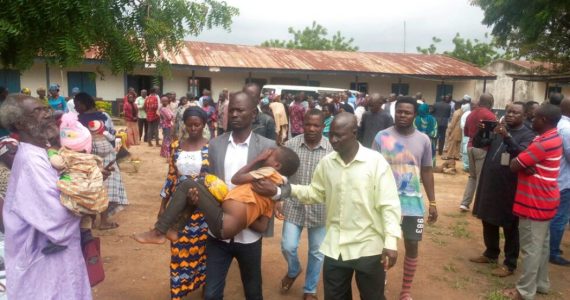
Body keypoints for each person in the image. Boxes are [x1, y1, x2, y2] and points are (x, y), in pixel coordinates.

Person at [279, 113, 401, 300]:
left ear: (354, 133)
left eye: (339, 136)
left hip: (368, 247)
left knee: (372, 297)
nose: (333, 140)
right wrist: (289, 190)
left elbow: (389, 205)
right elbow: (316, 193)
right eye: (331, 134)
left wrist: (391, 242)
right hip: (335, 248)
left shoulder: (375, 162)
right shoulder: (327, 163)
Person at [0, 94, 92, 299]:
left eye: (46, 109)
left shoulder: (44, 151)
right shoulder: (32, 162)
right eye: (37, 111)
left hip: (59, 260)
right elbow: (55, 218)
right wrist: (87, 199)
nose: (48, 114)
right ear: (19, 123)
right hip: (43, 264)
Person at [200, 91, 277, 300]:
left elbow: (283, 185)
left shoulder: (268, 148)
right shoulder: (215, 144)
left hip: (250, 236)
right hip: (218, 232)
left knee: (253, 291)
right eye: (230, 110)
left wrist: (275, 193)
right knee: (211, 293)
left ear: (253, 114)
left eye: (239, 110)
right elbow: (210, 182)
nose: (233, 114)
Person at [372, 96, 438, 300]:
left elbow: (427, 171)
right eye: (399, 111)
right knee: (381, 245)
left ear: (415, 115)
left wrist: (433, 202)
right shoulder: (381, 137)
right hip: (383, 203)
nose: (402, 115)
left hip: (413, 205)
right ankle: (379, 288)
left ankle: (406, 290)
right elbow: (371, 168)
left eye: (407, 112)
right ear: (394, 112)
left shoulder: (424, 139)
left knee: (412, 244)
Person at [503, 104, 563, 300]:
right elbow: (524, 162)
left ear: (543, 120)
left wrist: (524, 164)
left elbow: (514, 164)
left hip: (534, 203)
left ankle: (524, 291)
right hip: (547, 200)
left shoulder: (542, 143)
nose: (531, 120)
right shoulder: (552, 137)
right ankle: (541, 283)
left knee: (531, 248)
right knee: (542, 246)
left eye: (534, 117)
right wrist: (525, 164)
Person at [470, 102, 536, 277]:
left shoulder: (528, 134)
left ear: (524, 116)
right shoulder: (499, 129)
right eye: (508, 112)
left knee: (510, 225)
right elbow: (480, 143)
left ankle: (510, 263)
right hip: (491, 183)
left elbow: (521, 155)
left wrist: (507, 136)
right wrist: (482, 131)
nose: (510, 115)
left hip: (510, 187)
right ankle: (491, 253)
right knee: (488, 218)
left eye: (515, 112)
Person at [275, 109, 333, 300]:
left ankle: (310, 290)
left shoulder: (332, 150)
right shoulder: (291, 145)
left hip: (320, 208)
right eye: (308, 124)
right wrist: (279, 199)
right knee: (288, 246)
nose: (311, 128)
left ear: (323, 126)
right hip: (294, 204)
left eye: (316, 125)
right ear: (302, 124)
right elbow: (282, 176)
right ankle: (294, 270)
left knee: (317, 252)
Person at [75, 92, 128, 230]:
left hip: (94, 157)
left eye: (77, 104)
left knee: (96, 188)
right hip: (99, 157)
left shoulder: (81, 120)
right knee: (99, 188)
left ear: (84, 103)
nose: (75, 107)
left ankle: (97, 220)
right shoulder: (102, 117)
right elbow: (112, 135)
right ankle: (99, 220)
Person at [459, 93, 496, 212]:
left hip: (470, 147)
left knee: (472, 177)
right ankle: (478, 207)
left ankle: (465, 203)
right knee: (481, 178)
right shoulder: (490, 115)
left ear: (480, 101)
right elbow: (493, 135)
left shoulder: (470, 114)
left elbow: (466, 132)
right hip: (482, 149)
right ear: (491, 103)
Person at [549, 97, 570, 265]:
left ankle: (550, 246)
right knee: (560, 217)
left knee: (553, 216)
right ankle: (552, 251)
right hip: (564, 179)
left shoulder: (556, 124)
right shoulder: (567, 129)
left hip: (554, 177)